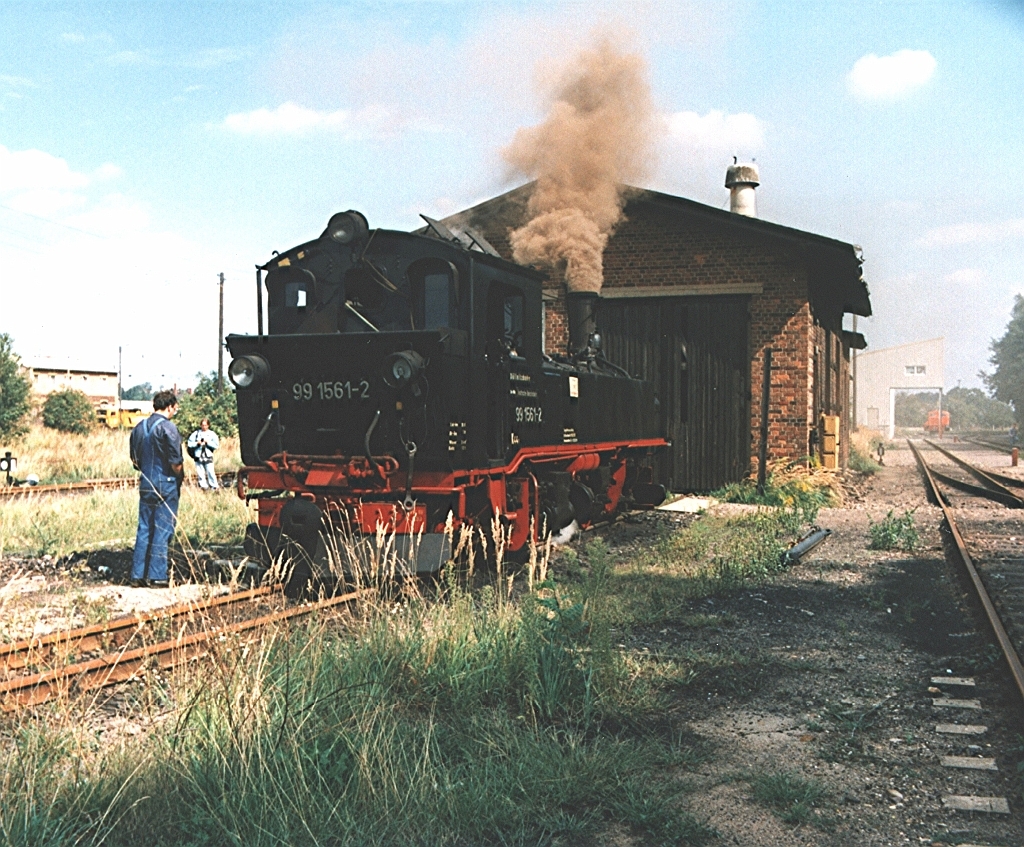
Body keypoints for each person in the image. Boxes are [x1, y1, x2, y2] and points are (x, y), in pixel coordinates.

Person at [129, 390, 183, 588]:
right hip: (166, 482)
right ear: (169, 406)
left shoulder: (138, 428)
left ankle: (137, 575)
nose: (174, 412)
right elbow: (176, 461)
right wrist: (179, 477)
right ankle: (157, 576)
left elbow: (135, 460)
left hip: (146, 482)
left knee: (144, 528)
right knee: (162, 529)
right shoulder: (169, 428)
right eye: (174, 408)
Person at [187, 418, 220, 490]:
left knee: (210, 472)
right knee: (200, 473)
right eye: (202, 425)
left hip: (208, 456)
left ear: (208, 425)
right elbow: (189, 444)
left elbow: (216, 445)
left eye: (205, 425)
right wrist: (197, 443)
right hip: (198, 456)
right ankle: (203, 487)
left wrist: (208, 442)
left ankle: (214, 486)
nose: (204, 427)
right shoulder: (196, 434)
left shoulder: (212, 434)